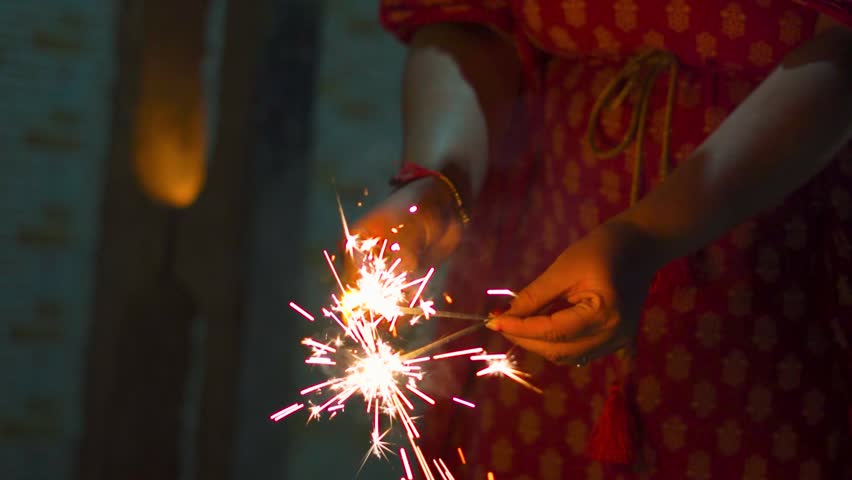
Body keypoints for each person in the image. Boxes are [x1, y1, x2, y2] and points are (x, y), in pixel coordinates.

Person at [348, 1, 852, 478]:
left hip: (786, 266)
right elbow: (468, 21)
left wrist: (651, 232)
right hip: (538, 241)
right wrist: (437, 183)